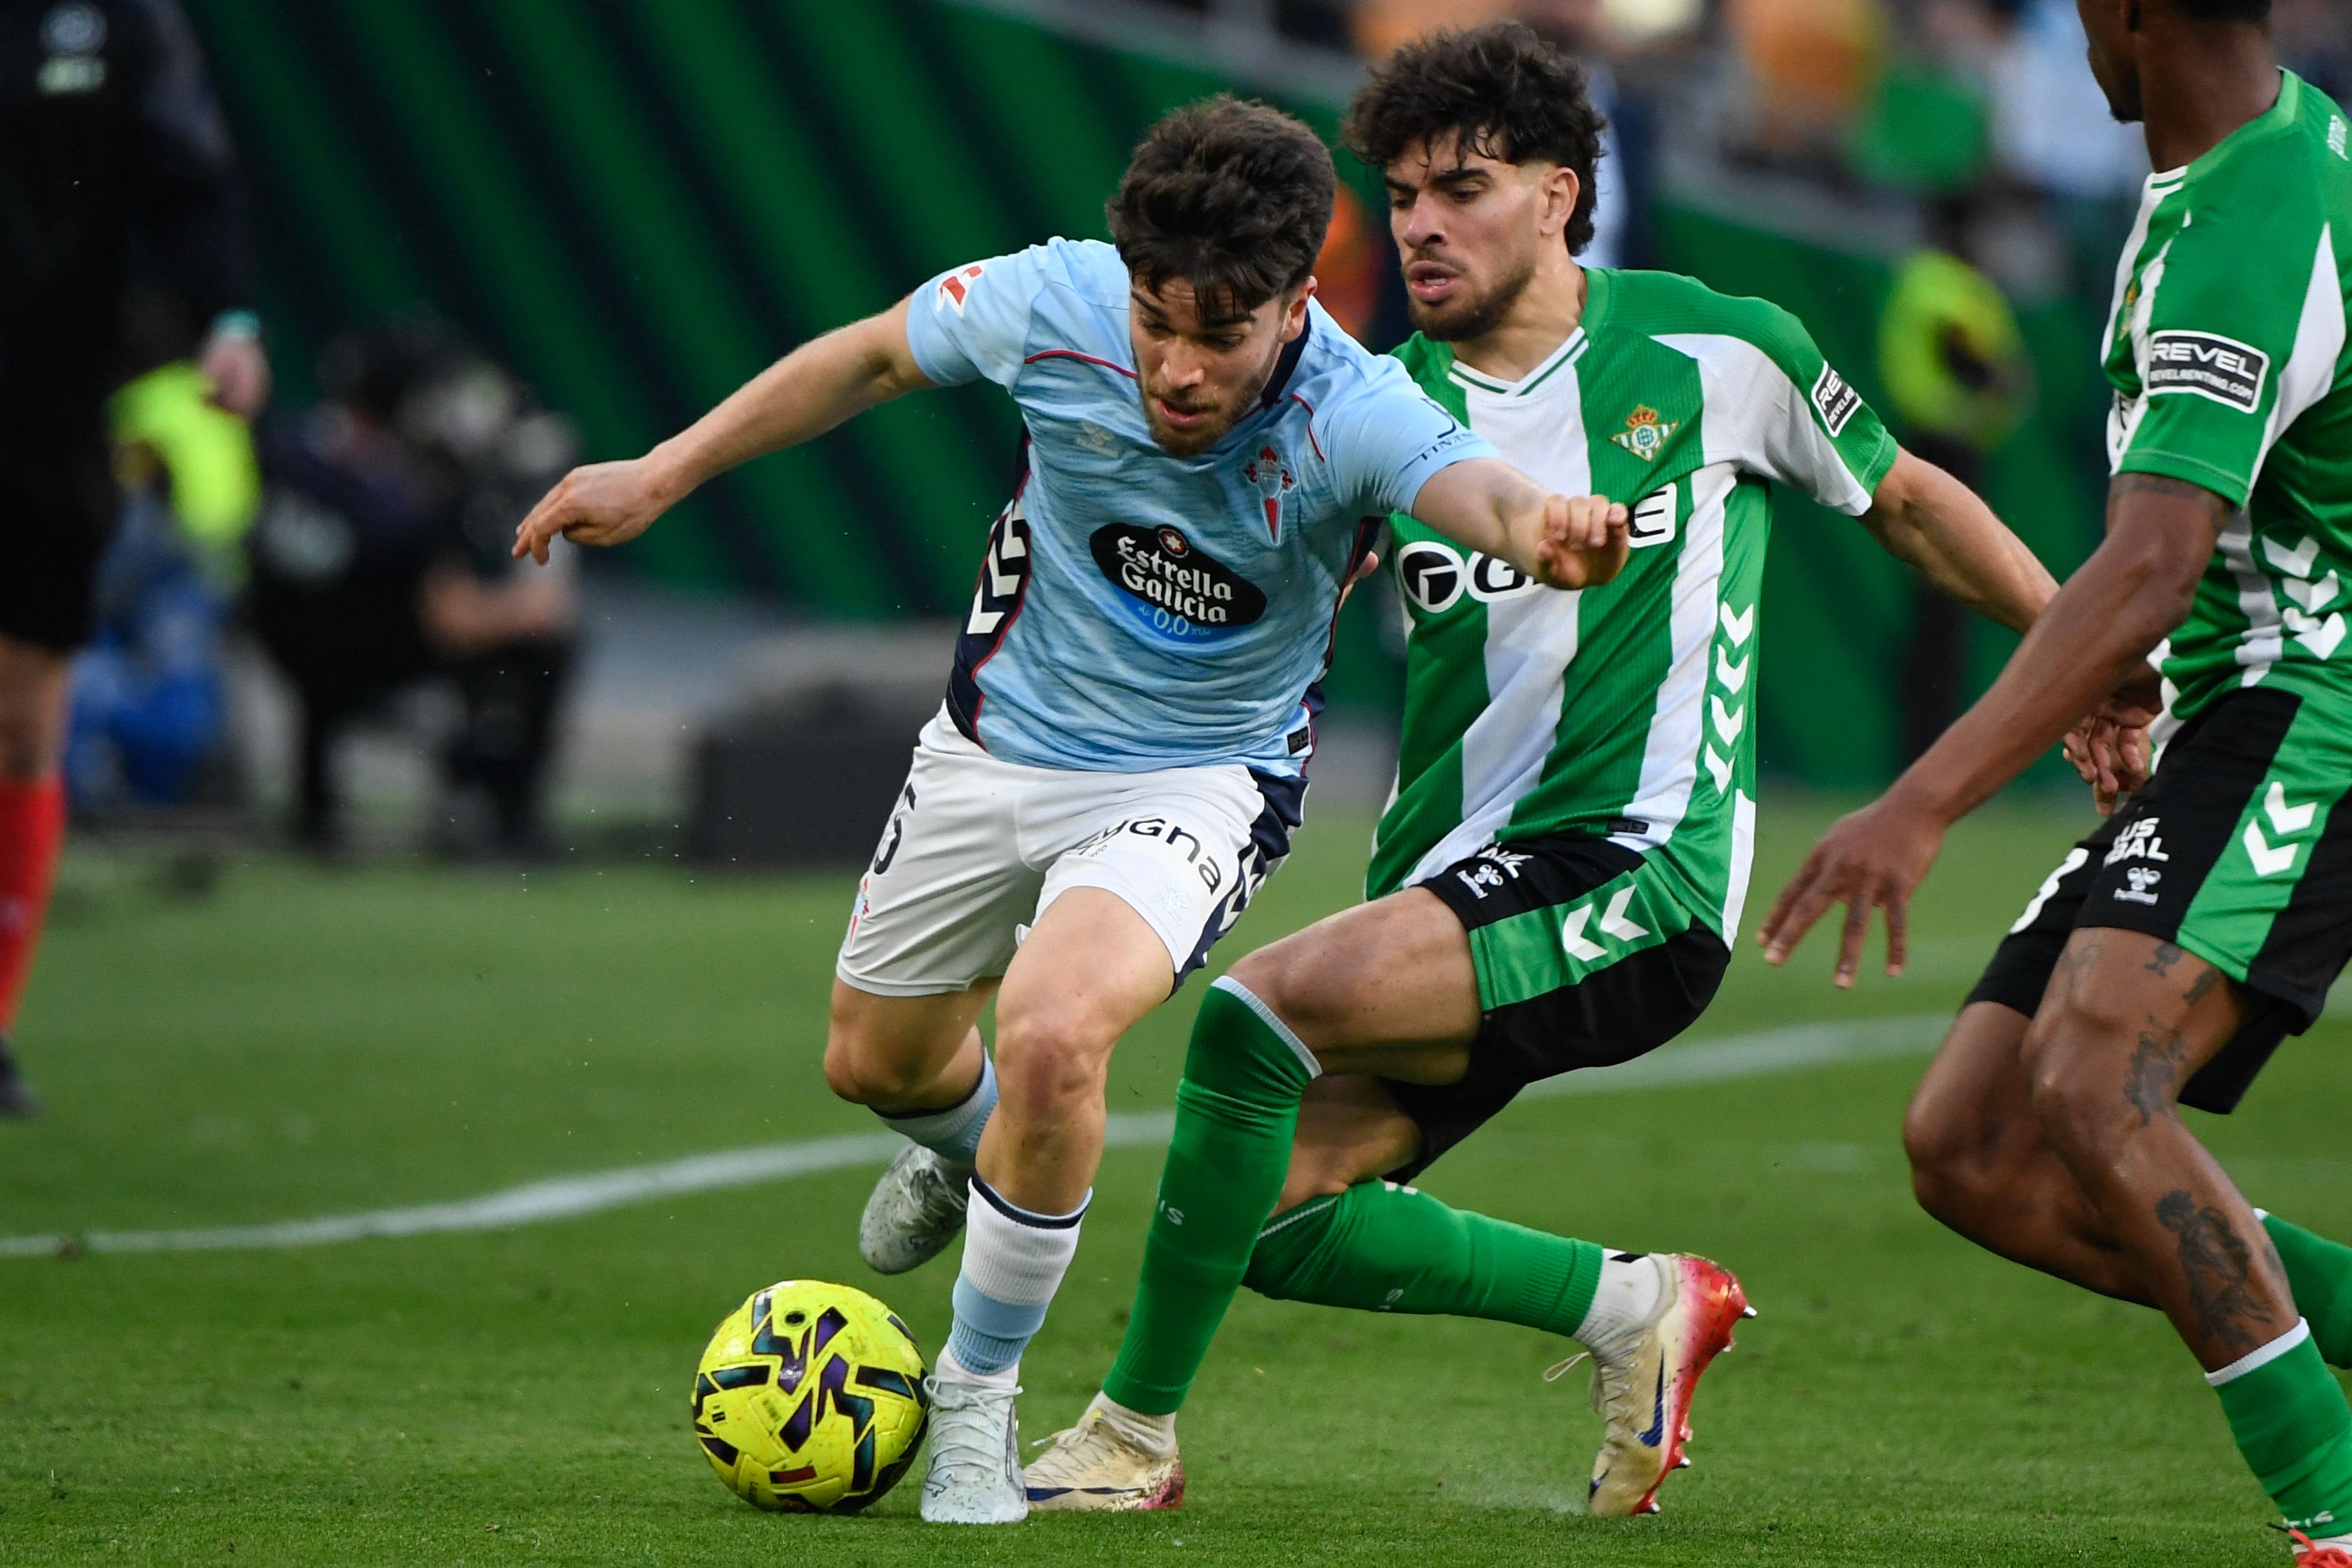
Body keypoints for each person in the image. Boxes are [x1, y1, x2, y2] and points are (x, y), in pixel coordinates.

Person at [955, 22, 2054, 1517]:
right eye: (1400, 191)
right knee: (1269, 1220)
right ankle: (1635, 1309)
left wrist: (2085, 655)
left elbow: (1913, 506)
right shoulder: (1372, 412)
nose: (1418, 220)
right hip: (1456, 890)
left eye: (1459, 186)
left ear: (1556, 189)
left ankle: (1129, 1436)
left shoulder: (1718, 350)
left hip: (1635, 872)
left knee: (1252, 1017)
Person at [511, 97, 1633, 1525]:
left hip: (1193, 783)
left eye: (1218, 335)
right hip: (992, 748)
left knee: (1052, 1029)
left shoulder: (1354, 406)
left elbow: (1467, 485)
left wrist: (1544, 527)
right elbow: (865, 357)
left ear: (1297, 303)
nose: (1173, 365)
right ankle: (956, 1148)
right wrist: (659, 473)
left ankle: (978, 1412)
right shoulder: (1051, 298)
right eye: (1156, 321)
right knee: (874, 1065)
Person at [1758, 4, 2352, 1561]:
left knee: (2095, 1076)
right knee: (1970, 1142)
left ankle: (2337, 1516)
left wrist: (1923, 802)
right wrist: (2124, 668)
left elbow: (2152, 556)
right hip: (2233, 693)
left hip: (2319, 706)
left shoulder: (2254, 207)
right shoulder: (2220, 172)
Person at [0, 0, 268, 1117]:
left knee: (24, 718)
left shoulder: (123, 22)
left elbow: (189, 174)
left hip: (45, 409)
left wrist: (232, 318)